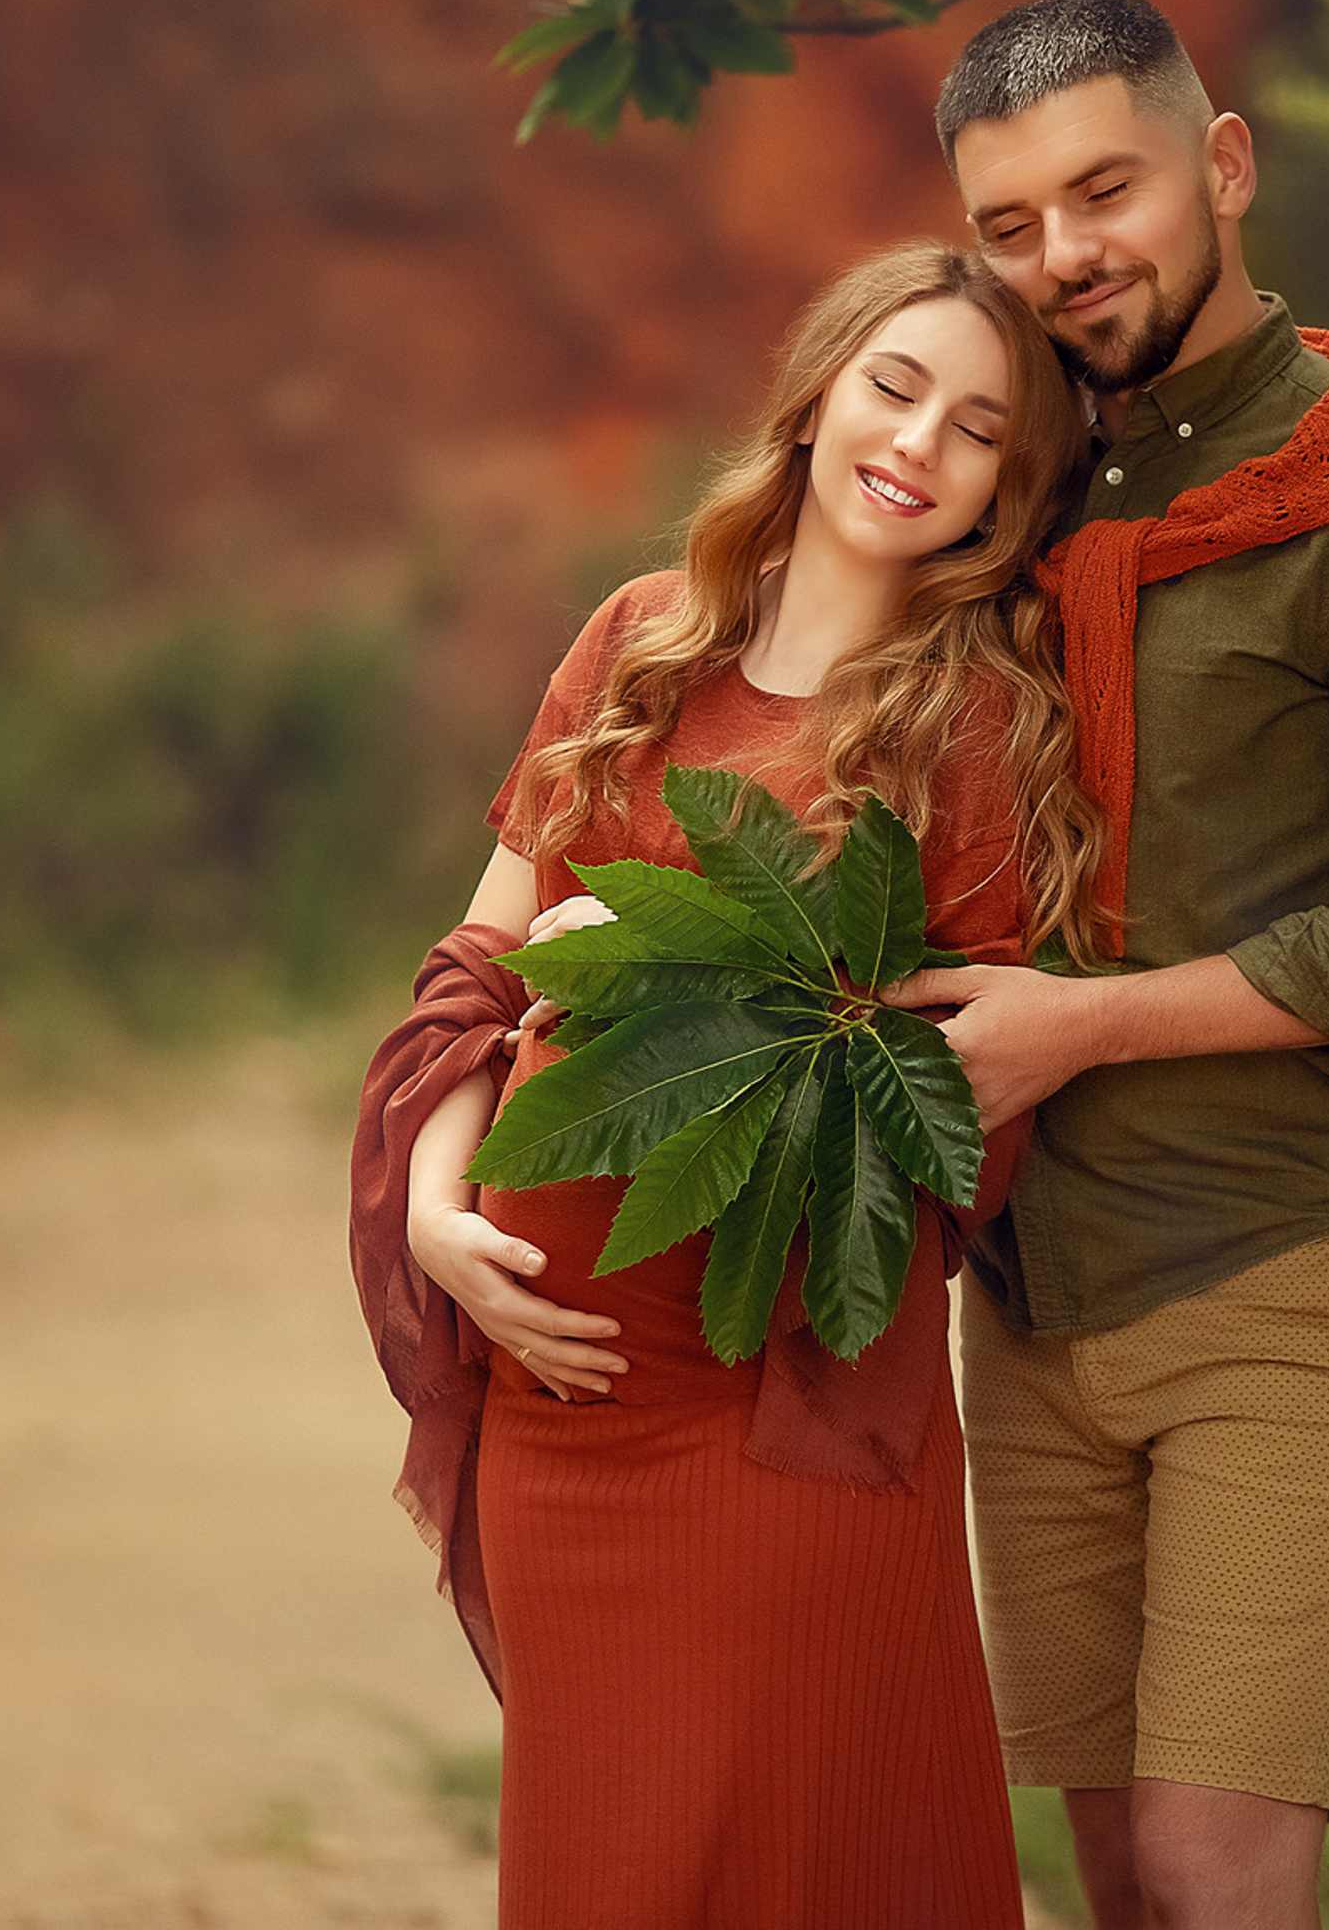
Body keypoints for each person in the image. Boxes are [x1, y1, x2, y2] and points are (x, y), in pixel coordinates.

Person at [882, 0, 1329, 1930]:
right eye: (1007, 223)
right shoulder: (1020, 494)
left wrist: (1082, 1025)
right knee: (1113, 1882)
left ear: (1222, 165)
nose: (1062, 252)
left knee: (1210, 1868)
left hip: (1310, 1258)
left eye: (1104, 187)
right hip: (1039, 1291)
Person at [349, 243, 1111, 1929]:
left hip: (784, 1414)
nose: (916, 445)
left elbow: (951, 1113)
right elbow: (479, 968)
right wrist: (438, 1208)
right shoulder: (642, 639)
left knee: (813, 1862)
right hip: (561, 1413)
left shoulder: (977, 727)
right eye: (895, 387)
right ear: (822, 388)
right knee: (607, 1874)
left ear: (1012, 482)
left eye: (979, 428)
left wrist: (669, 952)